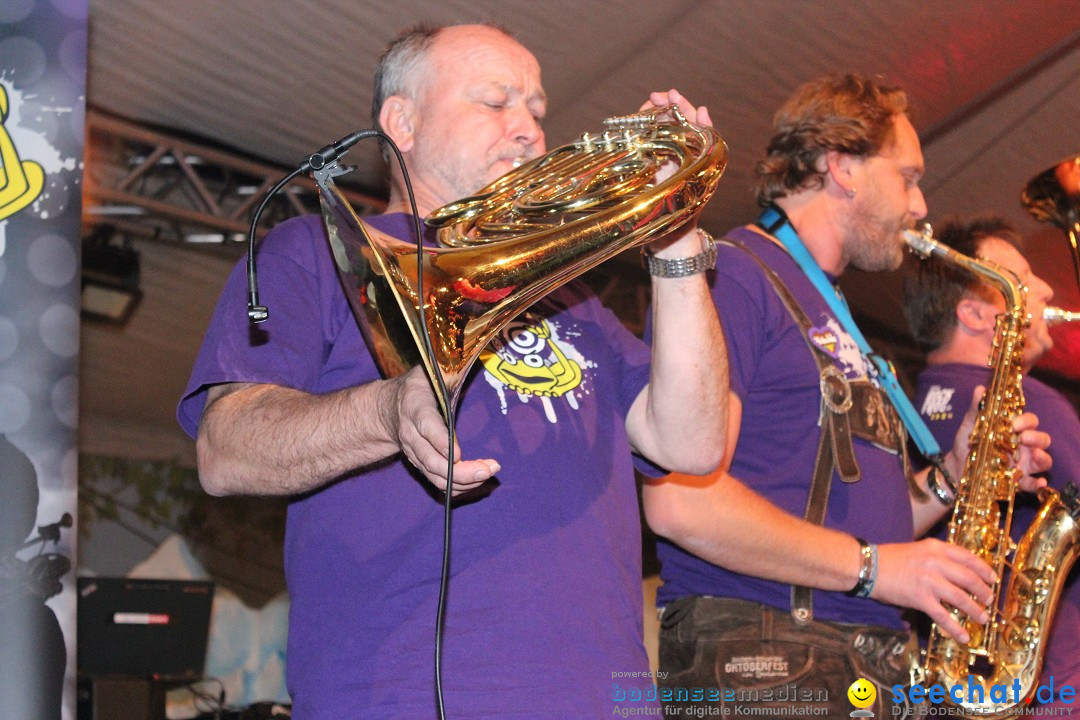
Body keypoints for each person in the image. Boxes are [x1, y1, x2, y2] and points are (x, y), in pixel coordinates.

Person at [177, 23, 730, 719]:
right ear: (401, 122)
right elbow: (224, 451)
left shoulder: (578, 293)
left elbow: (693, 444)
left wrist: (674, 237)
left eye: (536, 108)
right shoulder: (314, 253)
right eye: (496, 102)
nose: (530, 129)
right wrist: (383, 413)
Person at [641, 74, 1052, 717]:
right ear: (843, 167)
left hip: (847, 656)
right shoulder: (738, 276)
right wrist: (876, 569)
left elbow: (850, 521)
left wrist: (950, 477)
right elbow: (681, 504)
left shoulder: (832, 313)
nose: (920, 206)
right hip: (767, 655)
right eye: (909, 177)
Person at [903, 215, 1080, 711]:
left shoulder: (914, 403)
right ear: (978, 316)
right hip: (1056, 684)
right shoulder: (1028, 398)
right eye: (1023, 280)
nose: (1045, 288)